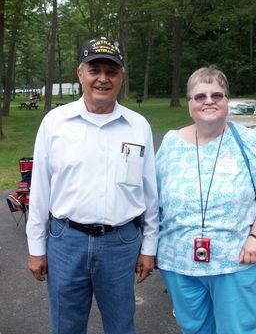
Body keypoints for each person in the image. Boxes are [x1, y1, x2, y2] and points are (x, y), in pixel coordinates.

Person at [26, 36, 159, 334]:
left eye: (111, 72)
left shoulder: (138, 126)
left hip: (121, 242)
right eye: (94, 70)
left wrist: (149, 246)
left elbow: (150, 192)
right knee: (66, 326)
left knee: (121, 325)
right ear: (80, 74)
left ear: (121, 77)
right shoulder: (55, 123)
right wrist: (36, 247)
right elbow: (40, 191)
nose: (102, 79)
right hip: (66, 240)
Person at [155, 66, 256, 334]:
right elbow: (152, 201)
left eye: (217, 95)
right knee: (194, 330)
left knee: (238, 330)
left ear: (227, 100)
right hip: (179, 264)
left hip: (237, 262)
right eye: (200, 96)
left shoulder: (248, 141)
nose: (209, 101)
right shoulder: (170, 144)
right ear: (189, 103)